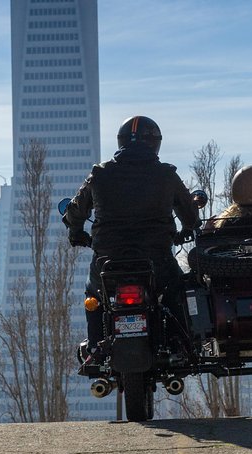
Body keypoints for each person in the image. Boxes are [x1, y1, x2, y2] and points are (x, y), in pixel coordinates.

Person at [62, 115, 200, 365]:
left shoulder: (100, 173)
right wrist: (188, 228)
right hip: (156, 260)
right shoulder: (166, 175)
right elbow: (190, 214)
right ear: (155, 143)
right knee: (178, 289)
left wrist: (75, 232)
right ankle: (181, 346)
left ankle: (94, 348)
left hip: (108, 262)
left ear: (120, 141)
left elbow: (75, 210)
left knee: (93, 294)